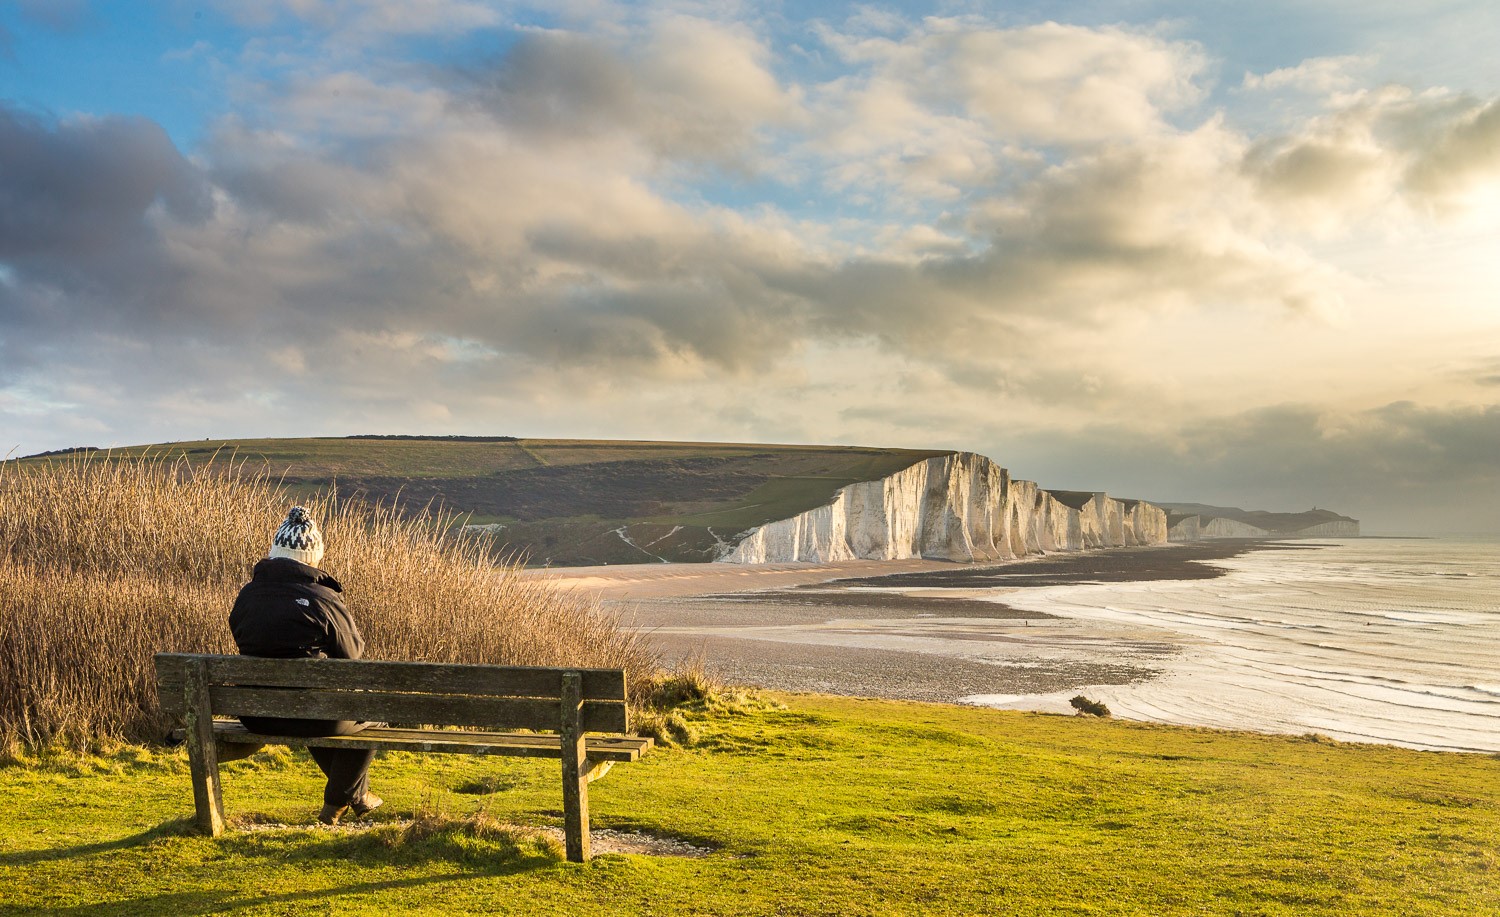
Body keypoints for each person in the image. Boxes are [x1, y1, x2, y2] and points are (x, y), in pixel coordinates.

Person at [228, 505, 383, 825]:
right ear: (313, 557)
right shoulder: (322, 598)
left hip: (257, 715)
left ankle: (359, 795)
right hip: (312, 716)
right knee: (373, 713)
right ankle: (334, 806)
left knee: (312, 706)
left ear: (274, 552)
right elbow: (352, 657)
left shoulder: (247, 595)